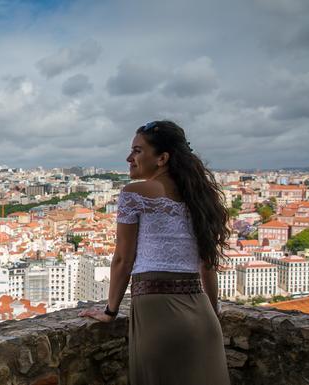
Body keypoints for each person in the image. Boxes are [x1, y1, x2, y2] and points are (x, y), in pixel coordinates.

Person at [79, 120, 231, 385]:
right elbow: (207, 266)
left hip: (157, 313)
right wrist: (214, 315)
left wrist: (110, 311)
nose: (129, 158)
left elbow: (123, 260)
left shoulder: (134, 193)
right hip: (203, 317)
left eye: (137, 151)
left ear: (162, 158)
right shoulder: (200, 198)